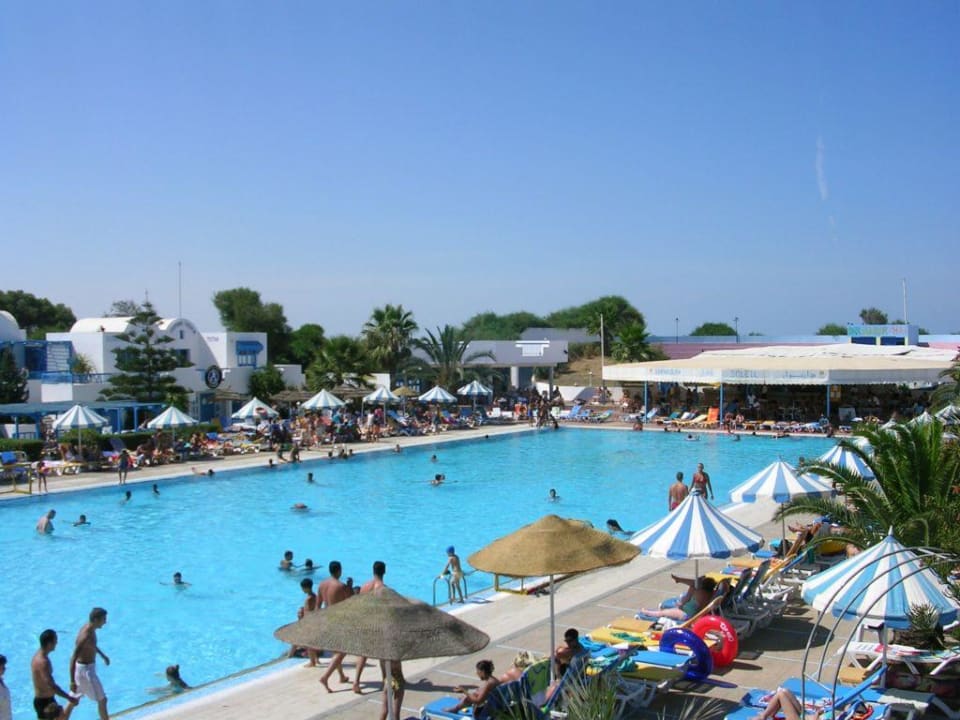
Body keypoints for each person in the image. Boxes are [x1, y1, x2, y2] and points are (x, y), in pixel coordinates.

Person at [318, 561, 354, 691]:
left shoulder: (322, 585)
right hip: (339, 621)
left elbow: (318, 606)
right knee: (343, 650)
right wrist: (350, 587)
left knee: (336, 650)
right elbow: (351, 600)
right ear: (339, 570)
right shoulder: (341, 586)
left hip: (327, 619)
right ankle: (325, 677)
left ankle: (342, 676)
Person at [69, 607, 110, 720]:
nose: (105, 622)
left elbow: (91, 645)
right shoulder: (85, 635)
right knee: (102, 700)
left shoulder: (89, 629)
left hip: (84, 669)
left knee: (73, 700)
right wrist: (72, 681)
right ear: (96, 620)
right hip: (86, 671)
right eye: (103, 619)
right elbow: (73, 658)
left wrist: (102, 656)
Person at [353, 561, 386, 693]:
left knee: (363, 654)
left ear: (373, 571)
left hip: (365, 622)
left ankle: (356, 682)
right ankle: (385, 680)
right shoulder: (383, 588)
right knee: (384, 654)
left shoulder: (364, 587)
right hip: (377, 624)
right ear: (384, 571)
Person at [31, 630, 79, 720]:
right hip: (44, 702)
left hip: (47, 699)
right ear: (49, 643)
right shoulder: (43, 662)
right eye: (55, 641)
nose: (56, 643)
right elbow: (51, 686)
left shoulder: (39, 656)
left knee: (62, 718)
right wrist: (69, 698)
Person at [638, 577, 714, 622]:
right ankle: (650, 612)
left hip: (686, 614)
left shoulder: (699, 592)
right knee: (665, 611)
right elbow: (701, 608)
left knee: (662, 613)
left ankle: (647, 613)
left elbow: (693, 584)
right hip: (687, 612)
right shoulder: (709, 594)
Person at [296, 578, 319, 666]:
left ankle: (312, 662)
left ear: (306, 588)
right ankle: (316, 659)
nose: (302, 590)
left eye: (302, 588)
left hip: (309, 622)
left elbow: (308, 612)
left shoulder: (308, 599)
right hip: (314, 621)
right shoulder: (315, 596)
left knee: (308, 643)